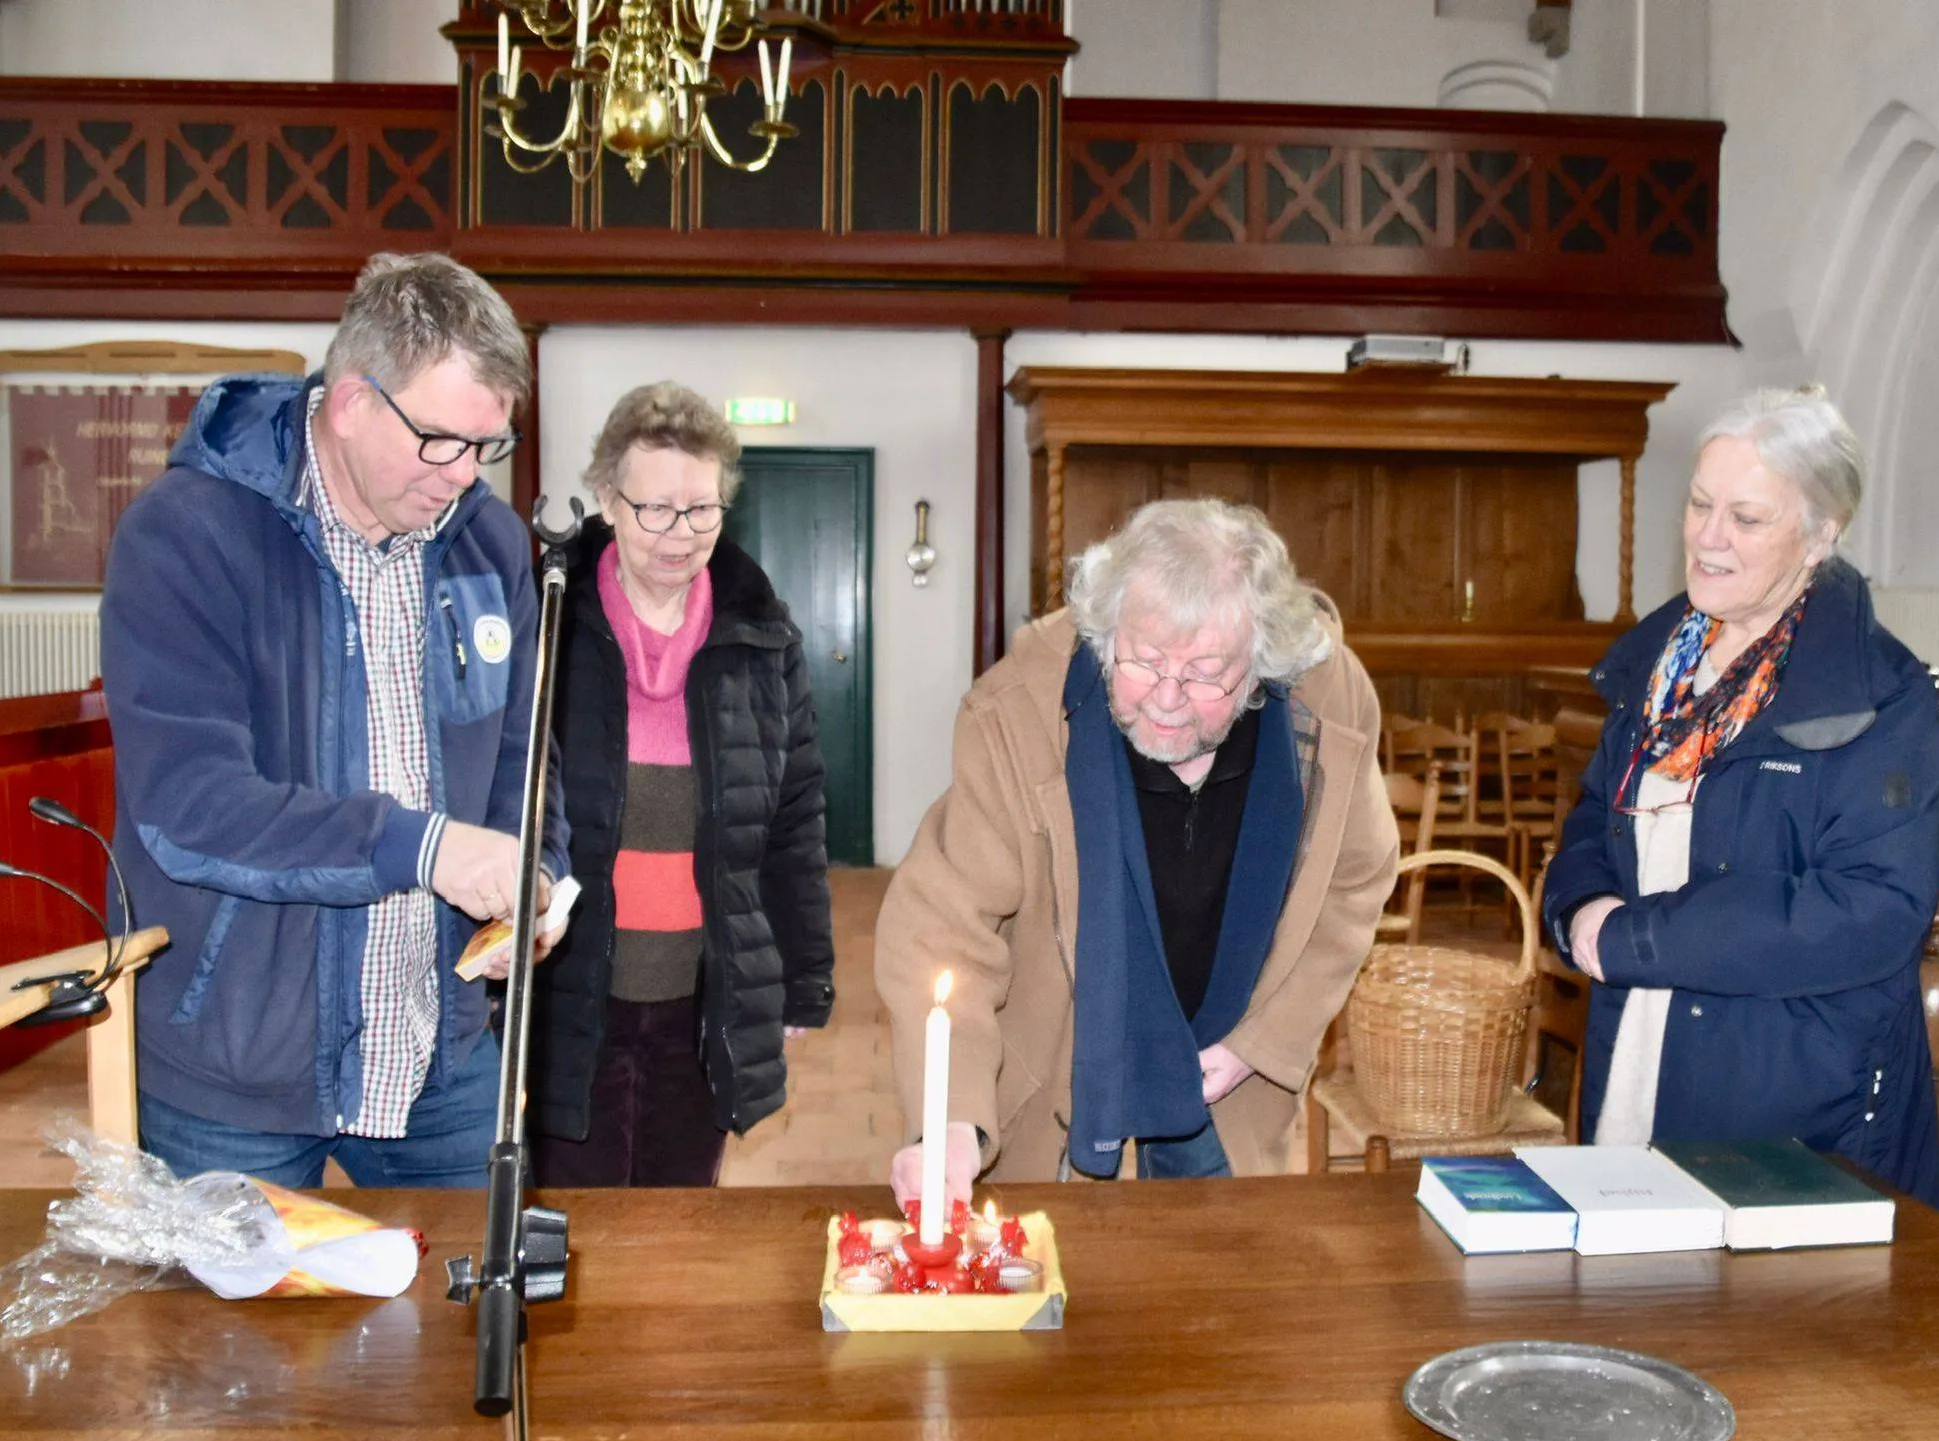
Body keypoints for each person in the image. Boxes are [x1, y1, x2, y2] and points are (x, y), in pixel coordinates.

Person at [101, 251, 569, 1188]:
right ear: (351, 403)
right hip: (237, 1063)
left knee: (474, 1322)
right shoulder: (184, 535)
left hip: (437, 1044)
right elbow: (188, 807)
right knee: (229, 1340)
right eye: (442, 440)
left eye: (488, 446)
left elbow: (526, 759)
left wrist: (536, 876)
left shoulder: (490, 543)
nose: (465, 475)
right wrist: (429, 849)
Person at [880, 498, 1399, 1206]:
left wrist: (1268, 1039)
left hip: (1229, 1060)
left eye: (1206, 673)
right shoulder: (1020, 711)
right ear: (1106, 632)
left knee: (1207, 1287)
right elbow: (941, 921)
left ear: (1261, 663)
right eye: (1144, 662)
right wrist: (949, 1119)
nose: (1166, 699)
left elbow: (1357, 875)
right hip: (1059, 1055)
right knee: (1048, 1283)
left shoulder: (1326, 701)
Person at [1543, 386, 1939, 1207]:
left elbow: (1869, 912)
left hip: (1792, 1099)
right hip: (1638, 1052)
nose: (1708, 537)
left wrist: (1635, 940)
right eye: (1699, 505)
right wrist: (1581, 904)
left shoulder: (1878, 693)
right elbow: (1597, 809)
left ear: (1820, 533)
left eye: (1747, 517)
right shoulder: (1660, 663)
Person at [527, 381, 834, 1186]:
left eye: (702, 510)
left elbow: (794, 818)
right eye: (656, 509)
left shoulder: (761, 636)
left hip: (704, 997)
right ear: (606, 499)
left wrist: (800, 981)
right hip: (573, 995)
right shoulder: (550, 619)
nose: (680, 534)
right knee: (570, 1226)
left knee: (680, 1226)